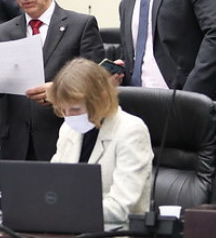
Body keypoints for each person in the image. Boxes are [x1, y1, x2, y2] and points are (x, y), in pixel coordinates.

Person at [0, 0, 106, 161]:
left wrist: (60, 91)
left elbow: (98, 85)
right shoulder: (3, 31)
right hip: (16, 145)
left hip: (65, 140)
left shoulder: (80, 26)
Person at [47, 58, 153, 224]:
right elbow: (53, 187)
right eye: (62, 110)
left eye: (75, 109)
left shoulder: (131, 130)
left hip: (115, 237)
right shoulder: (68, 129)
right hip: (69, 230)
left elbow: (121, 208)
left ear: (100, 99)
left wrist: (62, 208)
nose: (68, 117)